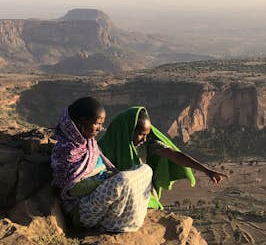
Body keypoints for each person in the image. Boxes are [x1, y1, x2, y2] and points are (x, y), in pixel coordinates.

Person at [51, 97, 153, 232]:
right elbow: (72, 188)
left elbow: (104, 165)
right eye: (97, 123)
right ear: (82, 121)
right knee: (123, 180)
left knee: (146, 169)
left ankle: (121, 214)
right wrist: (106, 180)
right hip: (82, 209)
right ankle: (112, 222)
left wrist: (109, 177)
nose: (100, 128)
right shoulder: (66, 150)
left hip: (98, 196)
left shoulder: (88, 142)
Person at [98, 106, 226, 209]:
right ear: (128, 130)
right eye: (141, 134)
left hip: (140, 194)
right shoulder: (103, 147)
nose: (145, 139)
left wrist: (206, 170)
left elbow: (174, 155)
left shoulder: (149, 144)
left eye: (147, 135)